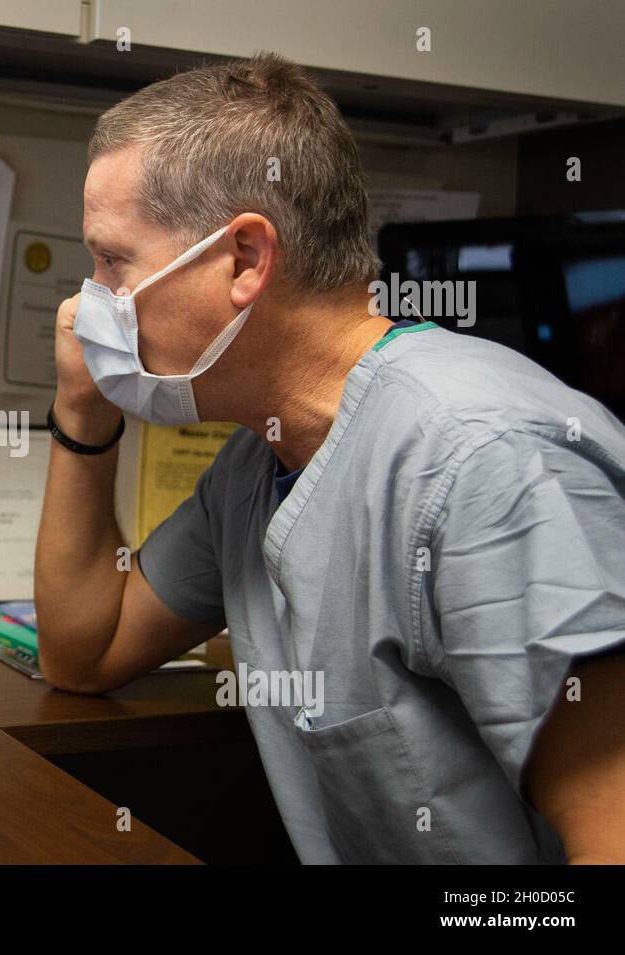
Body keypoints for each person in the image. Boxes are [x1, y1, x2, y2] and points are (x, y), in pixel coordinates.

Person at [34, 52, 625, 864]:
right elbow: (82, 650)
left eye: (112, 263)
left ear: (244, 259)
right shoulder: (259, 464)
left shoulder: (482, 463)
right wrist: (81, 407)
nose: (85, 304)